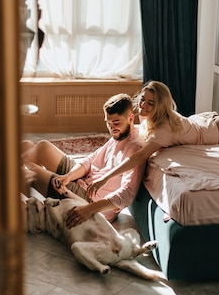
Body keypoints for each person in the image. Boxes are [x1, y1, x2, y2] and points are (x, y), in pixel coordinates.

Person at [88, 39, 219, 196]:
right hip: (204, 120)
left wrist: (105, 178)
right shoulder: (151, 118)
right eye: (143, 99)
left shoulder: (163, 130)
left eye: (151, 103)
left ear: (159, 106)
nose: (143, 105)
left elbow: (139, 157)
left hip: (215, 130)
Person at [22, 93, 146, 227]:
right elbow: (90, 160)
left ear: (131, 118)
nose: (111, 128)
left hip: (90, 201)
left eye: (116, 122)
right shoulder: (119, 134)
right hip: (85, 179)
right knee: (42, 147)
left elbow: (127, 194)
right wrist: (68, 177)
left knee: (30, 172)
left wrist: (89, 209)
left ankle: (23, 210)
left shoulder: (135, 148)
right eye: (108, 123)